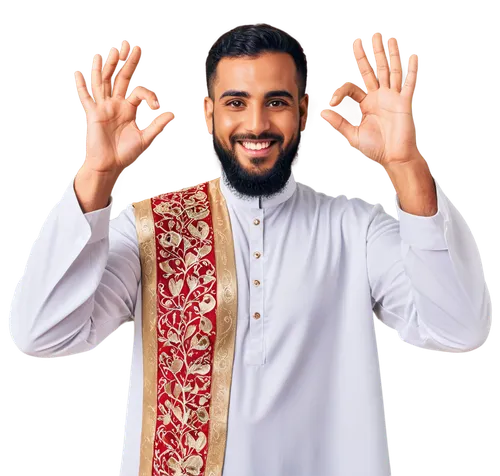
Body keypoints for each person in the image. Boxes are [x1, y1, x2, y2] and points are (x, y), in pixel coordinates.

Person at [8, 23, 493, 476]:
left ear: (305, 110)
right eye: (236, 102)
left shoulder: (356, 228)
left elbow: (459, 329)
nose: (256, 124)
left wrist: (406, 165)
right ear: (208, 113)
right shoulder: (151, 229)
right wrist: (96, 175)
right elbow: (40, 336)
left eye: (276, 102)